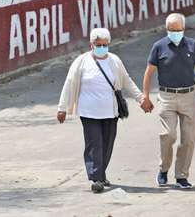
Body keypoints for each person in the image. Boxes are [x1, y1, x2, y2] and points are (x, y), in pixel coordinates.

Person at [57, 28, 153, 193]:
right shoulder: (81, 62)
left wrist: (141, 99)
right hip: (88, 112)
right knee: (94, 144)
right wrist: (62, 108)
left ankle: (100, 173)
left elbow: (127, 81)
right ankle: (96, 178)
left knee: (107, 144)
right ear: (91, 45)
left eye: (105, 44)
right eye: (98, 44)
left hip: (110, 112)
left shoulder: (115, 61)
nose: (101, 47)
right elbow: (69, 83)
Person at [142, 13, 195, 189]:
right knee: (168, 135)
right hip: (167, 97)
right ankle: (163, 170)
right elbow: (149, 72)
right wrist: (145, 96)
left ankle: (181, 176)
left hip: (188, 96)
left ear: (183, 29)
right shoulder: (159, 46)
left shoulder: (192, 45)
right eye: (171, 30)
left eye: (178, 30)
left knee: (189, 138)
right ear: (167, 30)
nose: (175, 33)